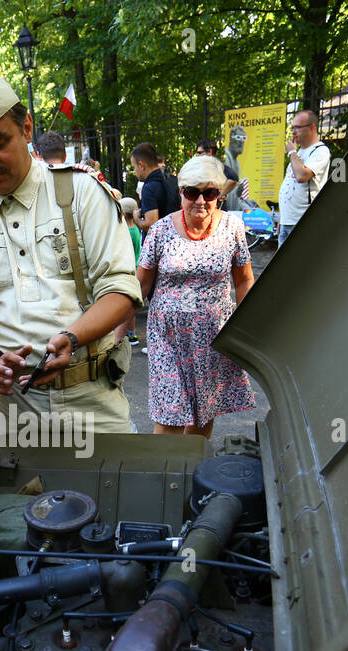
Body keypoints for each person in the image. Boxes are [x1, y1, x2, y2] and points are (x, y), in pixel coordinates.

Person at [0, 70, 141, 435]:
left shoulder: (83, 194)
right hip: (12, 409)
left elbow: (121, 291)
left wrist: (72, 337)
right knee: (17, 494)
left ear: (26, 128)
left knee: (113, 490)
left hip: (94, 400)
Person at [136, 155, 256, 439]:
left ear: (219, 195)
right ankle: (162, 477)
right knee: (170, 415)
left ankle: (192, 473)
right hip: (168, 336)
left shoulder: (232, 228)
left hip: (213, 335)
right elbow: (139, 287)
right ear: (181, 194)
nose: (201, 200)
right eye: (192, 192)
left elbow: (244, 280)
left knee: (204, 412)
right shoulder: (160, 231)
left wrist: (246, 327)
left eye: (210, 192)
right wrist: (114, 337)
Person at [277, 109, 332, 246]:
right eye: (292, 128)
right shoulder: (298, 152)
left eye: (297, 127)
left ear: (312, 127)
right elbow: (289, 184)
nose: (293, 131)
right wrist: (281, 218)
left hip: (301, 221)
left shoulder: (320, 151)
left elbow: (302, 176)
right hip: (287, 221)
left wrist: (292, 153)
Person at [130, 143, 179, 232]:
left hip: (158, 242)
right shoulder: (170, 180)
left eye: (134, 167)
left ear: (141, 165)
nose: (134, 171)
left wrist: (136, 219)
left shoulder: (149, 188)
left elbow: (150, 225)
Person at [117, 196, 141, 347]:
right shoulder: (136, 228)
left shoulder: (127, 232)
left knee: (127, 304)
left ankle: (129, 334)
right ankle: (131, 333)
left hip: (129, 269)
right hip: (136, 266)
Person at [196, 139, 242, 205]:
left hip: (214, 206)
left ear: (210, 152)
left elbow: (234, 179)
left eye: (200, 152)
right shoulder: (200, 166)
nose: (197, 155)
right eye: (197, 153)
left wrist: (219, 196)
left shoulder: (217, 165)